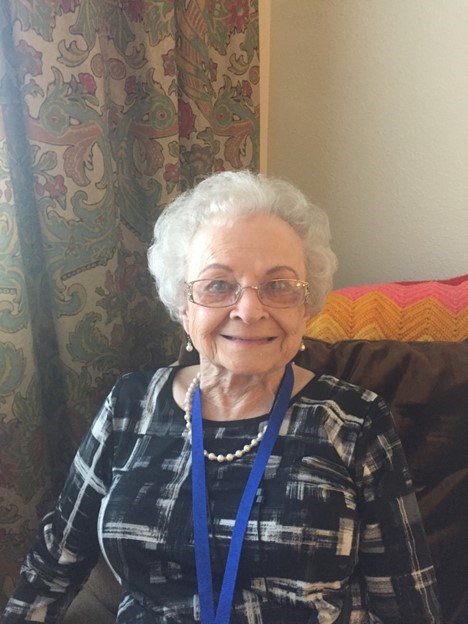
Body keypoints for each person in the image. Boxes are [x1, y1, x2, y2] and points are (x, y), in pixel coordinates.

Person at [1, 170, 440, 624]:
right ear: (183, 307)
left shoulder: (353, 421)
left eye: (279, 285)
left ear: (306, 308)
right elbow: (52, 567)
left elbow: (408, 606)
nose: (249, 310)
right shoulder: (130, 407)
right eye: (217, 285)